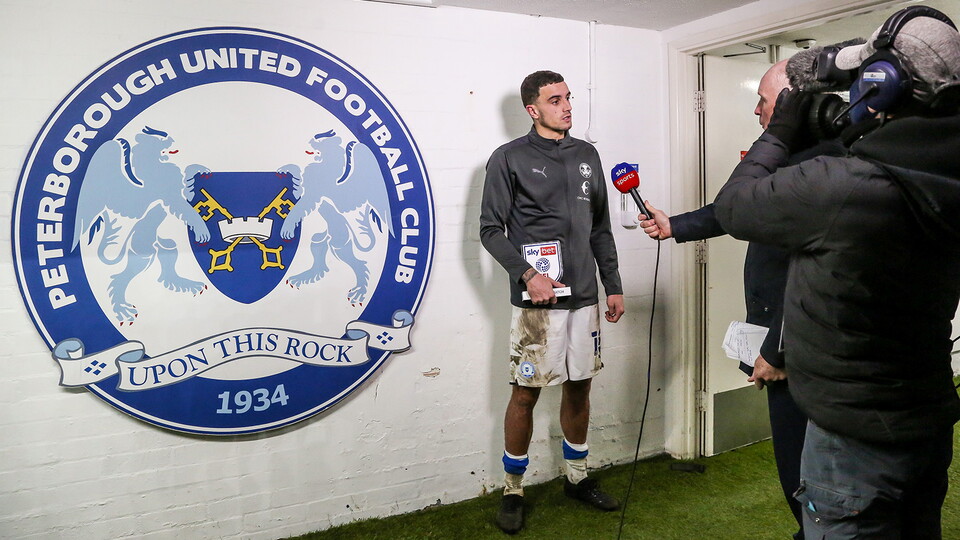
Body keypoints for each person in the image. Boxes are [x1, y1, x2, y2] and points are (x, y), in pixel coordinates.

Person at [711, 7, 960, 537]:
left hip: (853, 438)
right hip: (925, 418)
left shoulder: (843, 185)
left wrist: (781, 130)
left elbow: (733, 207)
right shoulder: (940, 169)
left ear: (884, 87)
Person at [640, 58, 844, 540]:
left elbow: (816, 276)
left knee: (812, 472)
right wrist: (675, 226)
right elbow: (736, 209)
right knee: (800, 472)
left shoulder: (824, 166)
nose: (756, 111)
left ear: (796, 106)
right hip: (785, 348)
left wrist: (778, 349)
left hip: (802, 353)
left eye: (765, 101)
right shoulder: (795, 157)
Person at [479, 70, 625, 534]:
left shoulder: (587, 155)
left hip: (584, 299)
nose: (566, 106)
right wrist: (527, 273)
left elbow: (599, 227)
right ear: (532, 109)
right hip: (539, 303)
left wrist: (613, 283)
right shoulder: (509, 158)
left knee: (579, 385)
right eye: (555, 99)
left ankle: (577, 477)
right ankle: (512, 487)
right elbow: (489, 230)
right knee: (526, 392)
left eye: (568, 98)